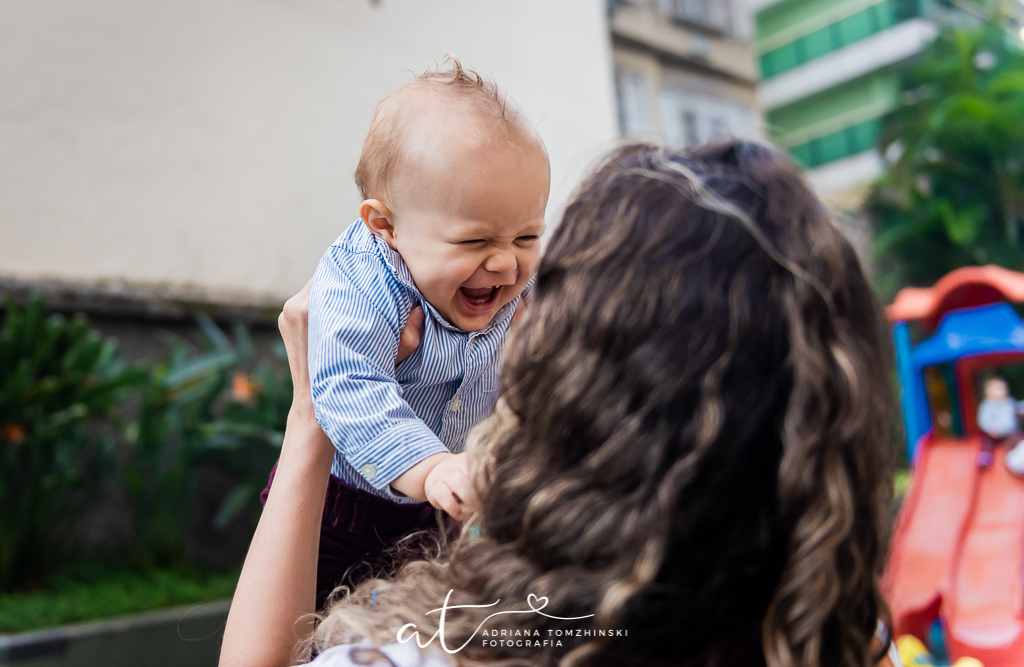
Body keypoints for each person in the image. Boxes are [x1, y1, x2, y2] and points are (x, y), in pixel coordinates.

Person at [223, 141, 901, 667]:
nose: (510, 283)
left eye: (531, 254)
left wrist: (314, 415)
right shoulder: (835, 639)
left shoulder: (435, 650)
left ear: (575, 385)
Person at [262, 56, 550, 605]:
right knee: (318, 632)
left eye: (526, 237)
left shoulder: (520, 289)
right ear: (386, 225)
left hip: (442, 505)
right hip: (339, 509)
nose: (506, 265)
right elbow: (349, 388)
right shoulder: (359, 282)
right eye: (475, 242)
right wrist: (432, 466)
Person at [976, 376, 1023, 468]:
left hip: (1008, 431)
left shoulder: (1009, 402)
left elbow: (1018, 408)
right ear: (988, 392)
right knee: (986, 441)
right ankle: (985, 457)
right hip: (992, 432)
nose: (1002, 391)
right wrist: (990, 429)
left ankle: (1016, 456)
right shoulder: (987, 405)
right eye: (997, 389)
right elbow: (983, 420)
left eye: (1003, 388)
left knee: (1016, 438)